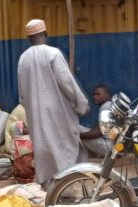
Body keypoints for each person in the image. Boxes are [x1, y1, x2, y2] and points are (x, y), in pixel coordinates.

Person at [17, 19, 89, 188]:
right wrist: (81, 105)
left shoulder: (23, 59)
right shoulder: (53, 54)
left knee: (44, 151)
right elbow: (68, 84)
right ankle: (66, 189)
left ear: (28, 38)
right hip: (58, 114)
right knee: (63, 148)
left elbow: (22, 96)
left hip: (36, 115)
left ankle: (51, 190)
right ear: (46, 33)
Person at [80, 84, 113, 158]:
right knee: (85, 132)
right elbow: (97, 128)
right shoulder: (110, 106)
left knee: (78, 130)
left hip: (109, 149)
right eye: (94, 95)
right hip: (115, 148)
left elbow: (97, 133)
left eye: (98, 94)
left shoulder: (106, 107)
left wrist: (77, 135)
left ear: (107, 96)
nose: (94, 97)